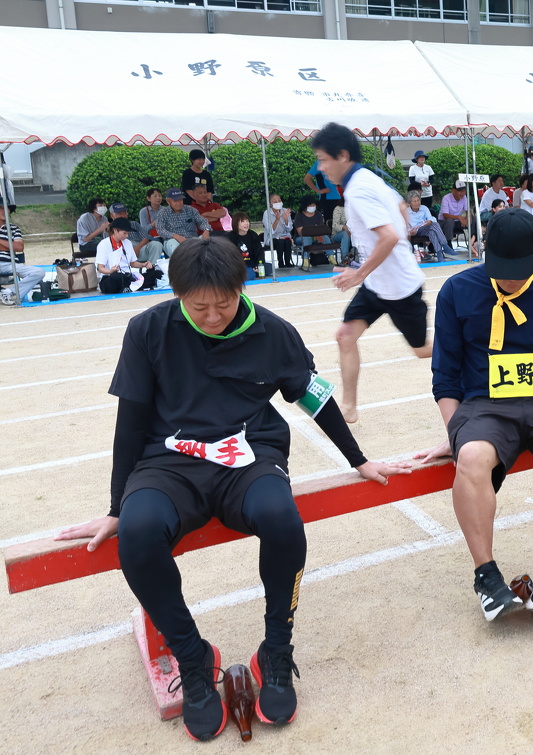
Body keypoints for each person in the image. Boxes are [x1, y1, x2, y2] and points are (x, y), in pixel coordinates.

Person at [54, 236, 408, 741]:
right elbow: (129, 423)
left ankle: (275, 650)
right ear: (178, 294)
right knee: (137, 531)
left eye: (223, 304)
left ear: (240, 288)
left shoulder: (273, 332)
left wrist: (359, 459)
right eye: (199, 307)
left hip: (249, 456)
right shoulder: (148, 330)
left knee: (282, 518)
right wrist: (116, 506)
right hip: (169, 462)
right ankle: (193, 658)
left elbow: (313, 396)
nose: (213, 316)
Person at [417, 208, 533, 622]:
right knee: (471, 456)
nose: (510, 279)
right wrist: (457, 431)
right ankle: (486, 576)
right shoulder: (457, 291)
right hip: (485, 405)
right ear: (483, 250)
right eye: (501, 269)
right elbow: (445, 375)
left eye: (519, 270)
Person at [312, 122, 433, 424]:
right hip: (378, 283)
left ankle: (473, 344)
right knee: (345, 336)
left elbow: (389, 237)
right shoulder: (367, 178)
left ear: (342, 156)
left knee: (422, 351)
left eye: (323, 160)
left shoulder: (359, 190)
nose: (320, 168)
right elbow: (401, 207)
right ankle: (349, 407)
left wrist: (358, 273)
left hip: (400, 288)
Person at [96, 217, 158, 294]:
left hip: (127, 276)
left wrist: (143, 265)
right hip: (110, 277)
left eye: (128, 233)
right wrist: (110, 271)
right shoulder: (103, 244)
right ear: (115, 230)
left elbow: (132, 263)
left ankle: (127, 287)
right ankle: (128, 287)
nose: (127, 236)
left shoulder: (128, 243)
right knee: (117, 277)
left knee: (156, 273)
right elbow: (100, 268)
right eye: (124, 233)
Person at [0, 204, 44, 305]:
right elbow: (15, 246)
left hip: (10, 264)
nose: (5, 211)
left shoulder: (14, 228)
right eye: (1, 208)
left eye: (7, 209)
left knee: (39, 272)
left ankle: (9, 292)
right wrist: (10, 245)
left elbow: (19, 247)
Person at [156, 188, 211, 257]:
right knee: (174, 245)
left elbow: (203, 221)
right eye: (175, 201)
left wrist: (206, 230)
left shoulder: (190, 210)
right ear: (168, 201)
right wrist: (175, 236)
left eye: (180, 200)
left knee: (208, 242)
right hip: (173, 240)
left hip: (192, 239)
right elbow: (160, 229)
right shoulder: (163, 213)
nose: (179, 203)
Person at [406, 190, 455, 262]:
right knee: (434, 225)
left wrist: (430, 221)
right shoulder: (406, 212)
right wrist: (409, 232)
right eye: (414, 201)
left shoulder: (424, 208)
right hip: (415, 231)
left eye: (418, 200)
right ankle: (445, 245)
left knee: (432, 230)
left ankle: (439, 255)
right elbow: (405, 227)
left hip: (426, 228)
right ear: (410, 203)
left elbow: (432, 218)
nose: (417, 203)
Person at [293, 196, 334, 263]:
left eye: (314, 205)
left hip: (317, 237)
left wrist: (318, 235)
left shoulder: (318, 214)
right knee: (307, 238)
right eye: (310, 205)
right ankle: (305, 260)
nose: (313, 207)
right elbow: (300, 232)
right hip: (301, 238)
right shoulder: (299, 215)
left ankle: (331, 257)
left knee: (325, 237)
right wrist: (315, 235)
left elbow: (320, 229)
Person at [228, 211, 266, 280]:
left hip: (252, 263)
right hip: (238, 265)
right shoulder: (230, 237)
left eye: (247, 221)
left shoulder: (253, 235)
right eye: (243, 221)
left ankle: (253, 271)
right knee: (249, 273)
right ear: (236, 223)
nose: (246, 223)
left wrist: (258, 265)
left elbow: (259, 251)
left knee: (269, 267)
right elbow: (230, 256)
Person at [263, 194, 295, 270]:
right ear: (270, 204)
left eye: (279, 200)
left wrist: (286, 219)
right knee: (280, 241)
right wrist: (277, 220)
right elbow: (270, 231)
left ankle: (288, 261)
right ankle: (280, 262)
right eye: (275, 201)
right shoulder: (267, 213)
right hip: (272, 238)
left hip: (284, 235)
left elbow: (290, 229)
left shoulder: (285, 211)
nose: (278, 202)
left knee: (287, 241)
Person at [438, 180, 469, 245]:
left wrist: (467, 219)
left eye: (464, 191)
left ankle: (474, 242)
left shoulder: (464, 197)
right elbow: (445, 215)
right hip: (444, 222)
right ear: (453, 191)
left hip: (458, 222)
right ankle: (448, 243)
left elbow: (467, 211)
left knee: (473, 219)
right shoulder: (446, 198)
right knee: (450, 221)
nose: (462, 193)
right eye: (460, 191)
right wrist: (459, 217)